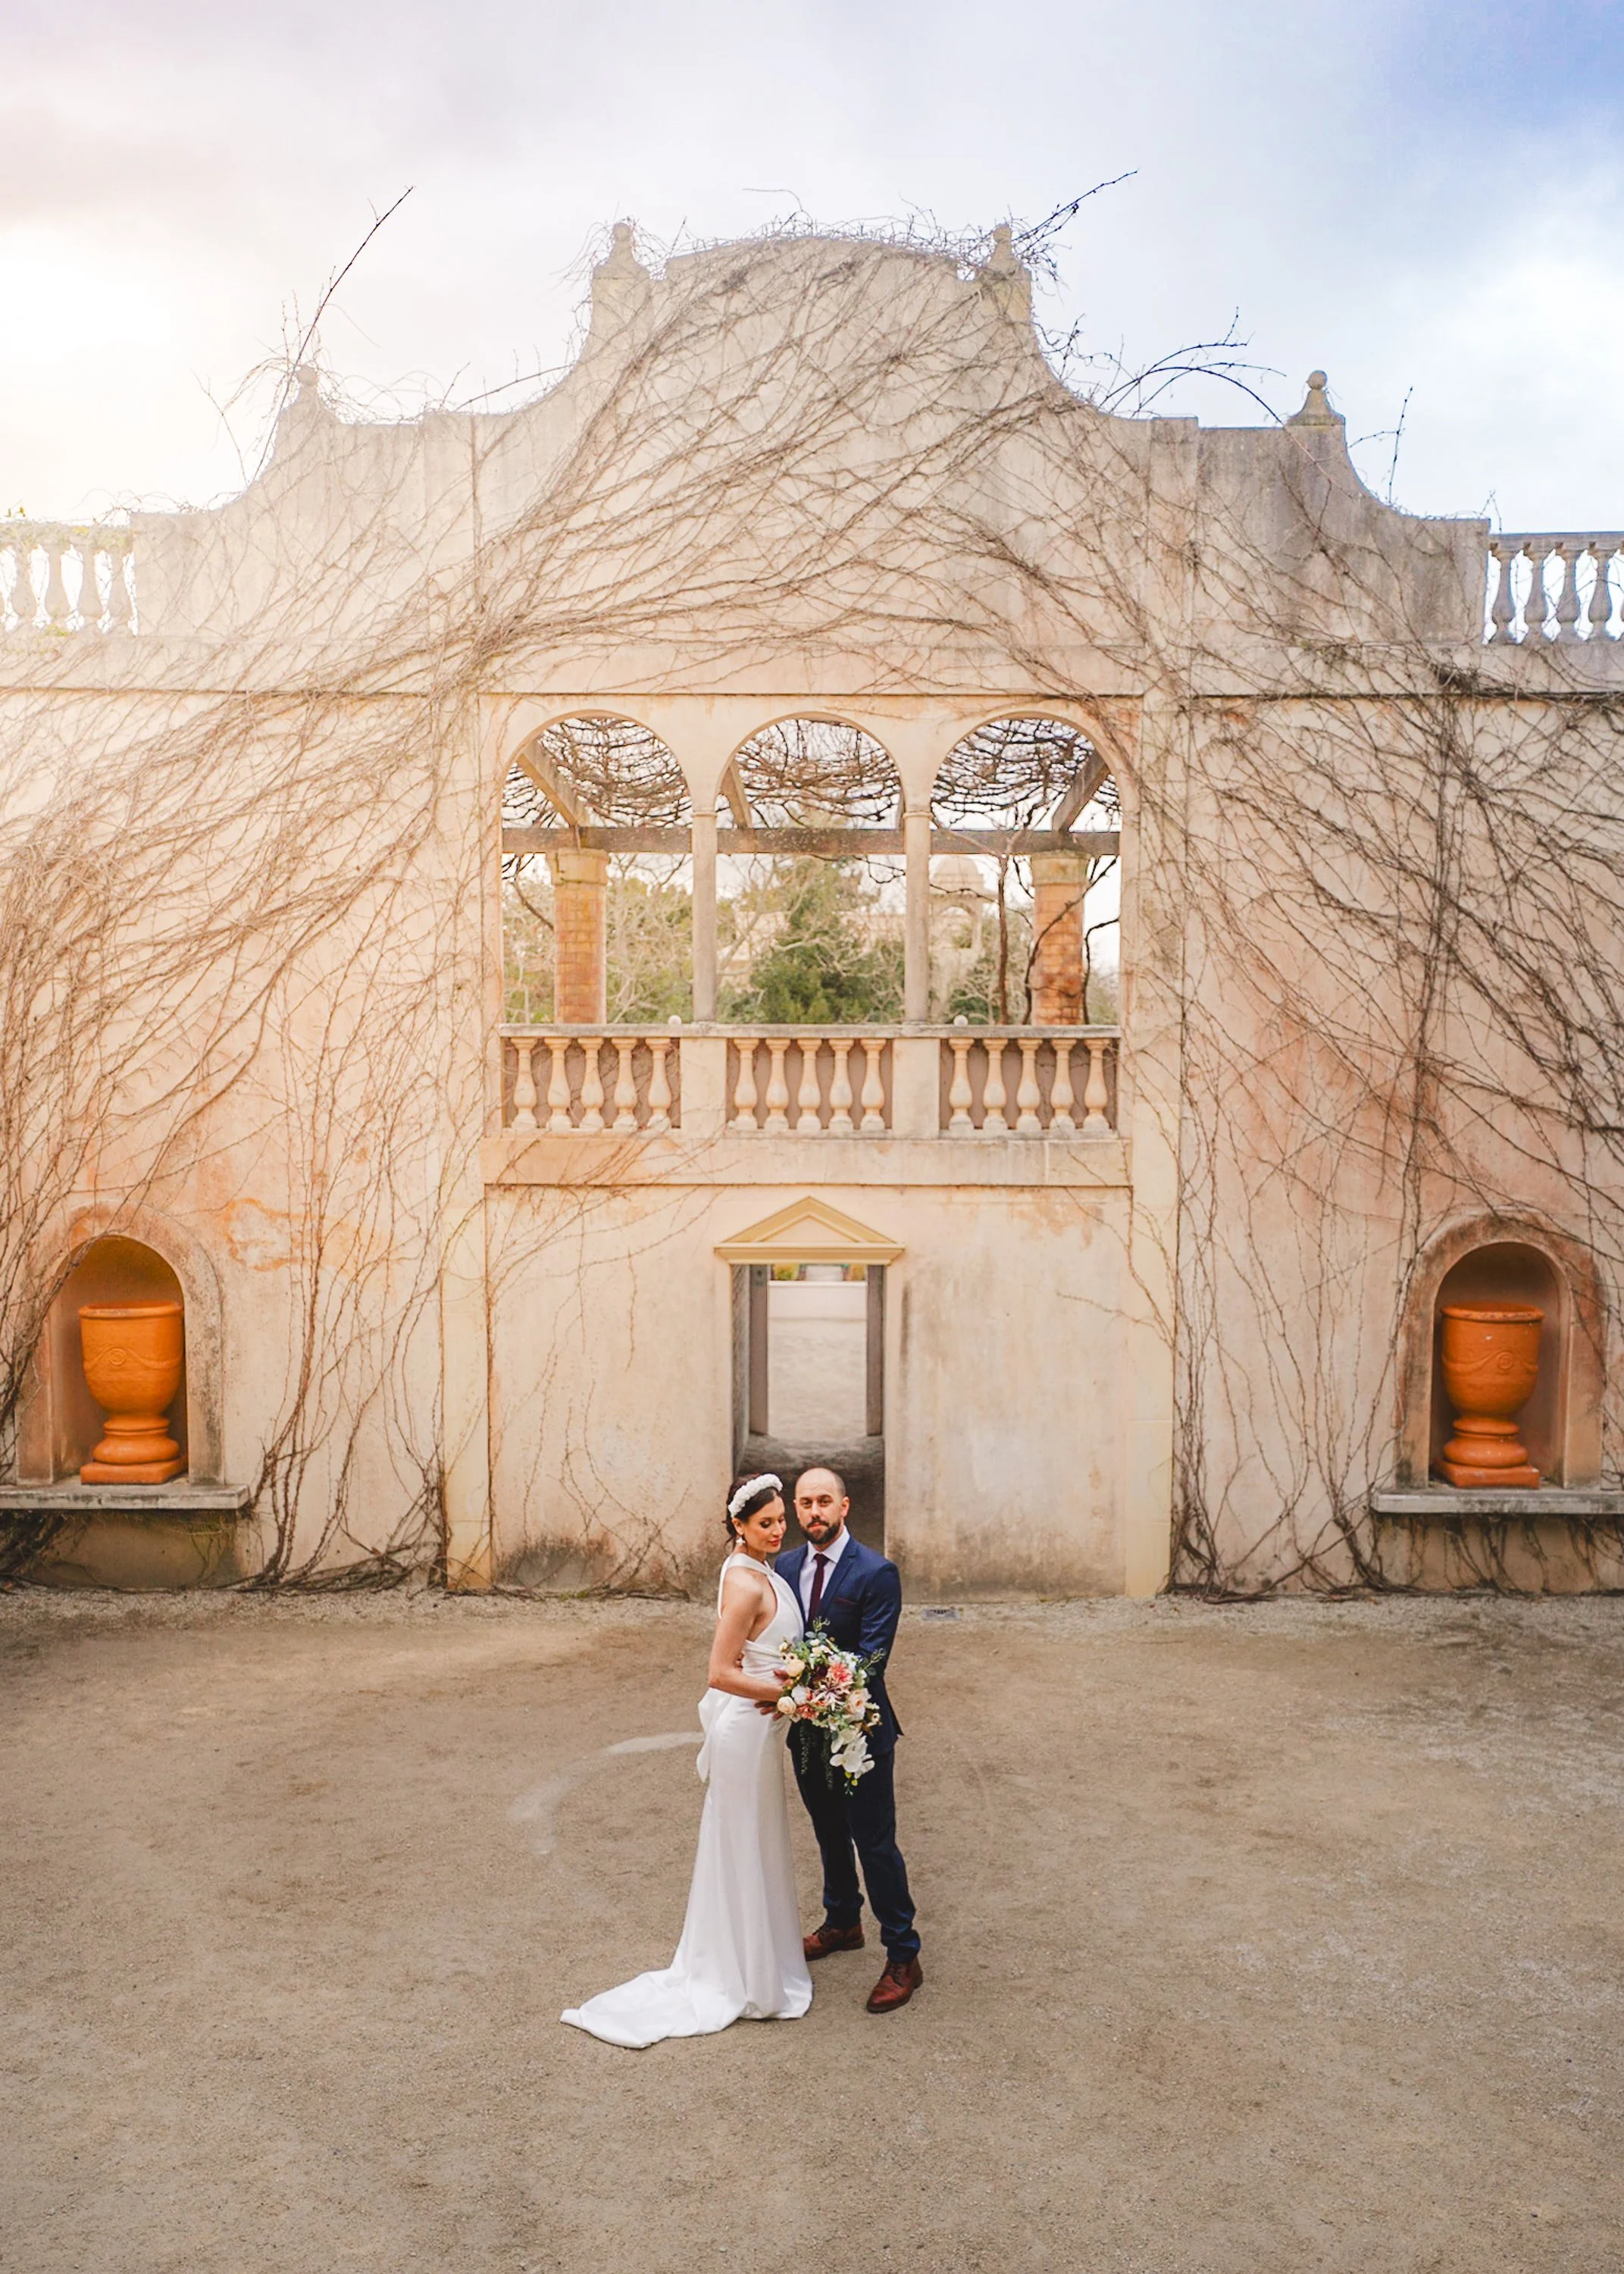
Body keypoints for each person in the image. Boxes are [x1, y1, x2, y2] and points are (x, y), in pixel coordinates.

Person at [560, 1475, 812, 2048]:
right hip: (745, 1734)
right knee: (742, 1845)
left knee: (755, 1842)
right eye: (765, 1523)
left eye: (779, 1521)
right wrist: (791, 1696)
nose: (777, 1531)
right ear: (738, 1528)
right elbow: (719, 1673)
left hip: (759, 1729)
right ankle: (739, 1976)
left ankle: (757, 1961)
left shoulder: (757, 1568)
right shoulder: (746, 1585)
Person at [776, 1466, 922, 2013]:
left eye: (823, 1501)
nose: (813, 1511)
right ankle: (842, 1922)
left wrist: (814, 1687)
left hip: (861, 1730)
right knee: (827, 1833)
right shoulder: (784, 1568)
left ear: (844, 1507)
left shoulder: (876, 1572)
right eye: (804, 1502)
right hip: (808, 1734)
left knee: (875, 1843)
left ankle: (904, 1954)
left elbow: (872, 1656)